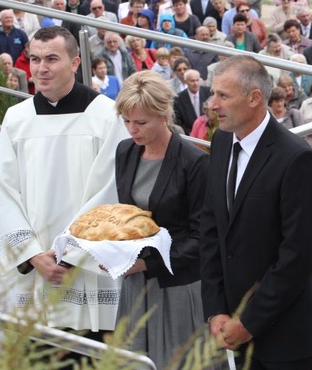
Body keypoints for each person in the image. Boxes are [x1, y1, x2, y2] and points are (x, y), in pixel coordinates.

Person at [0, 26, 128, 365]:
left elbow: (110, 189)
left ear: (75, 62)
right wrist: (32, 254)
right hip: (36, 268)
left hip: (87, 268)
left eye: (52, 59)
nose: (41, 68)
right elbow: (4, 189)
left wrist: (70, 253)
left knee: (89, 356)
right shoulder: (16, 119)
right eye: (34, 59)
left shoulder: (106, 116)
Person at [200, 55, 312, 369]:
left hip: (284, 340)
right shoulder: (221, 143)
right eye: (213, 93)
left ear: (255, 98)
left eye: (222, 96)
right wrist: (216, 310)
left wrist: (249, 322)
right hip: (234, 332)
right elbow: (212, 231)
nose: (212, 104)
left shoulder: (296, 159)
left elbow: (296, 255)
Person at [114, 70, 208, 369]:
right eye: (126, 121)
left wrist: (147, 263)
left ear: (164, 115)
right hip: (136, 283)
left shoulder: (194, 162)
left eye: (140, 122)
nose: (132, 130)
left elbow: (202, 237)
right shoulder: (125, 151)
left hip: (178, 286)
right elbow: (129, 216)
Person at [174, 69, 211, 135]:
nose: (195, 83)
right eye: (192, 81)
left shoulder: (208, 92)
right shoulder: (178, 99)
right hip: (190, 137)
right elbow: (178, 122)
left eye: (197, 80)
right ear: (186, 81)